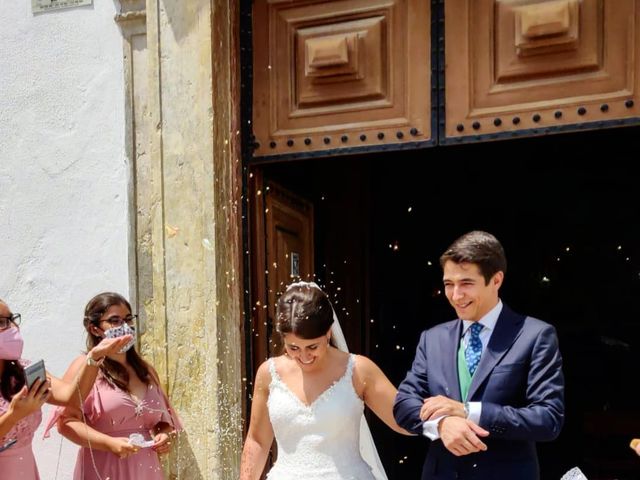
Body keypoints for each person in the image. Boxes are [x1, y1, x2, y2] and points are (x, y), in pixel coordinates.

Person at [394, 230, 565, 480]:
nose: (455, 295)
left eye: (466, 283)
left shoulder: (536, 335)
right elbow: (403, 405)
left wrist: (469, 411)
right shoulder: (432, 338)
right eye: (448, 284)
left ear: (496, 280)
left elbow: (548, 419)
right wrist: (441, 425)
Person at [240, 281, 411, 480]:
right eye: (293, 348)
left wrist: (446, 417)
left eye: (312, 347)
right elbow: (257, 441)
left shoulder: (358, 370)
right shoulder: (268, 373)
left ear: (328, 332)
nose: (304, 357)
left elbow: (403, 419)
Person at [48, 292, 182, 480]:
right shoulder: (85, 366)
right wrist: (109, 443)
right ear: (95, 329)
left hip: (146, 468)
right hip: (104, 466)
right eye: (115, 321)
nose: (125, 327)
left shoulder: (146, 370)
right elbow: (66, 423)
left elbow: (163, 422)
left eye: (128, 319)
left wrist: (163, 436)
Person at [0, 297, 131, 479]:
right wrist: (13, 415)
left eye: (12, 319)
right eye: (1, 322)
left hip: (25, 470)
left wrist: (94, 358)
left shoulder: (22, 372)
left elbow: (72, 397)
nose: (13, 328)